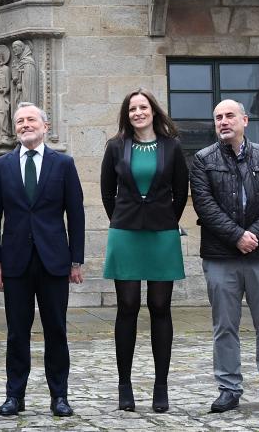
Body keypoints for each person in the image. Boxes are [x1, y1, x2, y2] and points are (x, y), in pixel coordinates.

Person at [190, 99, 259, 414]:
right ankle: (229, 389)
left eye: (229, 115)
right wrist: (236, 236)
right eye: (218, 117)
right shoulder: (202, 160)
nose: (223, 121)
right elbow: (204, 205)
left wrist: (254, 235)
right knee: (225, 326)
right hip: (221, 256)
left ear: (245, 120)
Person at [0, 101, 85, 418]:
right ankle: (15, 396)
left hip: (54, 260)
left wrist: (76, 260)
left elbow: (77, 214)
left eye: (31, 120)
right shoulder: (2, 166)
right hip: (15, 262)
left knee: (56, 329)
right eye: (20, 121)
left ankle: (59, 397)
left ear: (45, 125)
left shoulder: (63, 164)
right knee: (17, 332)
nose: (25, 125)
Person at [100, 89, 189, 413]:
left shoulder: (172, 147)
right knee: (127, 306)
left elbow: (181, 191)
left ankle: (160, 387)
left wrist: (164, 220)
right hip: (125, 233)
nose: (138, 112)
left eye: (143, 107)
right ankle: (125, 385)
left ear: (154, 111)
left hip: (162, 233)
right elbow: (107, 192)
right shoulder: (115, 146)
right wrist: (126, 220)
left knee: (160, 306)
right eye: (133, 108)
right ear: (127, 114)